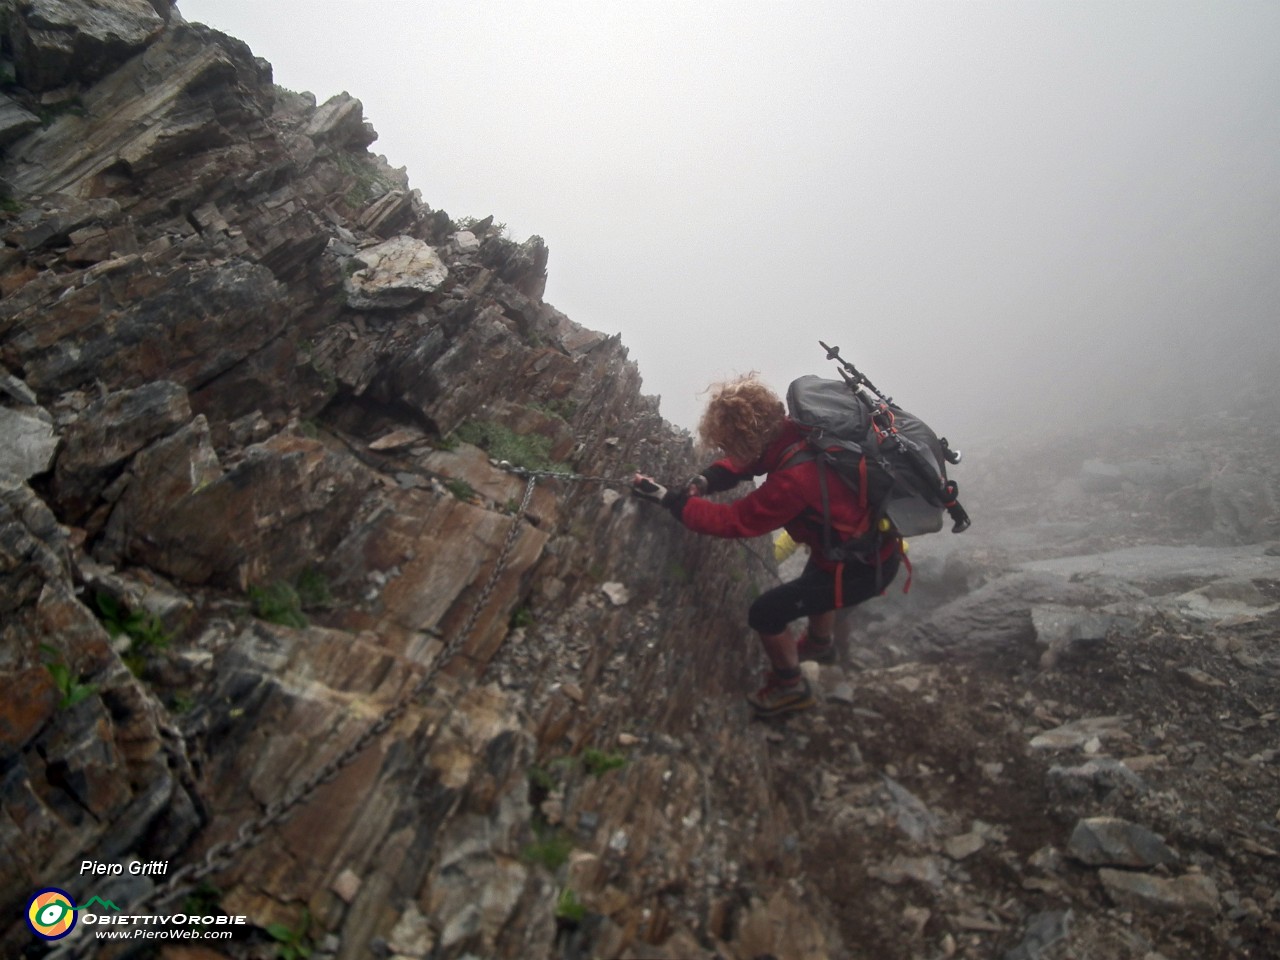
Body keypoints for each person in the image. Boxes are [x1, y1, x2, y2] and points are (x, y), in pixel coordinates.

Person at [632, 373, 900, 718]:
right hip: (864, 549)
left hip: (862, 570)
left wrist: (671, 501)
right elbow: (754, 462)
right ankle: (820, 646)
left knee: (766, 613)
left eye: (729, 446)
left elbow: (734, 521)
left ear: (745, 441)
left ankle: (791, 688)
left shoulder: (792, 482)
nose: (726, 452)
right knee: (818, 576)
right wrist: (708, 479)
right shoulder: (797, 431)